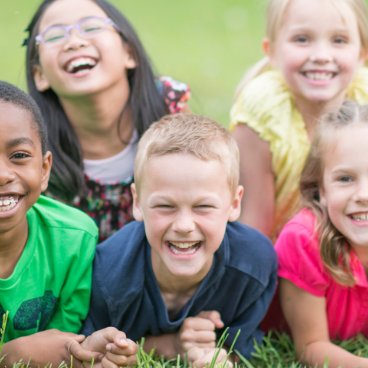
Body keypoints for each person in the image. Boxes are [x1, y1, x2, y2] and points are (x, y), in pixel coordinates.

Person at [81, 114, 278, 367]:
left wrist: (224, 355)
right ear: (138, 203)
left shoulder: (254, 265)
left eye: (203, 206)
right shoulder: (106, 275)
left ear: (235, 203)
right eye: (165, 206)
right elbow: (88, 352)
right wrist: (168, 346)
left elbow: (243, 344)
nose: (184, 226)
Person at [24, 0, 191, 242]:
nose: (75, 42)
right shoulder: (29, 139)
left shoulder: (168, 107)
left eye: (91, 27)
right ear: (40, 75)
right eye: (54, 35)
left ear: (129, 53)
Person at [0, 80, 137, 368]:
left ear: (44, 169)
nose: (3, 174)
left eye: (19, 156)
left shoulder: (74, 240)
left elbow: (63, 343)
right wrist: (10, 356)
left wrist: (88, 350)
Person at [231, 0, 368, 242]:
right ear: (272, 51)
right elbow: (255, 228)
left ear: (362, 53)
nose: (321, 56)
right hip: (287, 255)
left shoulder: (364, 97)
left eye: (339, 40)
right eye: (302, 39)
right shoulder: (264, 111)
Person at [276, 101, 368, 368]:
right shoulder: (304, 239)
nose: (363, 195)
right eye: (345, 178)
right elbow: (310, 346)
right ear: (321, 190)